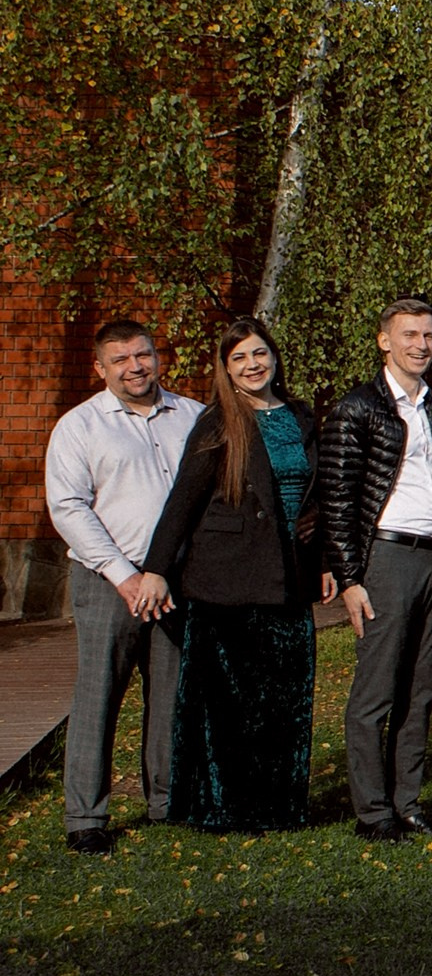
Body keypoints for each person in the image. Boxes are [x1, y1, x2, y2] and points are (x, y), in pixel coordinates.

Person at [130, 319, 320, 832]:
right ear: (226, 369)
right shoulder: (218, 421)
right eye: (239, 359)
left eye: (259, 354)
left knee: (284, 699)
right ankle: (225, 807)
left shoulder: (301, 416)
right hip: (225, 580)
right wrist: (155, 570)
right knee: (230, 706)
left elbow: (313, 496)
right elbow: (183, 502)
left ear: (275, 357)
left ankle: (279, 805)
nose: (252, 365)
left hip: (288, 579)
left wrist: (320, 551)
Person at [44, 319, 202, 852]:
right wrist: (125, 575)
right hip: (106, 581)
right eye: (120, 360)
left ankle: (166, 803)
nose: (135, 367)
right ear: (100, 368)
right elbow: (68, 508)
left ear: (158, 357)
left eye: (143, 355)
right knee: (98, 695)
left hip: (176, 581)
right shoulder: (80, 426)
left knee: (170, 695)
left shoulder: (193, 416)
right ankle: (86, 819)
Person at [317, 299, 432, 843]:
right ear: (384, 341)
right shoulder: (357, 407)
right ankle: (372, 812)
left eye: (428, 336)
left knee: (420, 692)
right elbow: (337, 498)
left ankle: (408, 803)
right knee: (375, 694)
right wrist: (350, 578)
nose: (420, 345)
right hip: (386, 558)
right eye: (409, 335)